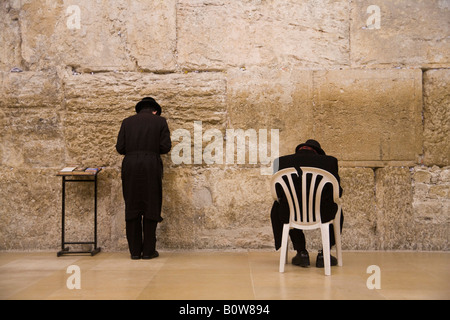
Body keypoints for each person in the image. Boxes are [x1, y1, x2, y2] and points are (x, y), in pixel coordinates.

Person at [270, 139, 344, 268]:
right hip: (323, 213)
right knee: (337, 208)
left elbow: (277, 193)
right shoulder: (330, 162)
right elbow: (337, 193)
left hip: (291, 213)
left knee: (282, 206)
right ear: (317, 153)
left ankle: (301, 253)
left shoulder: (280, 162)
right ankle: (323, 254)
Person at [116, 97, 172, 260]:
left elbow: (120, 148)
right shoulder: (160, 121)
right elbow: (165, 147)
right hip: (151, 165)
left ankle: (134, 251)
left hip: (131, 165)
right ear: (155, 110)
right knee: (151, 204)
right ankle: (148, 251)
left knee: (132, 204)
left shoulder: (127, 122)